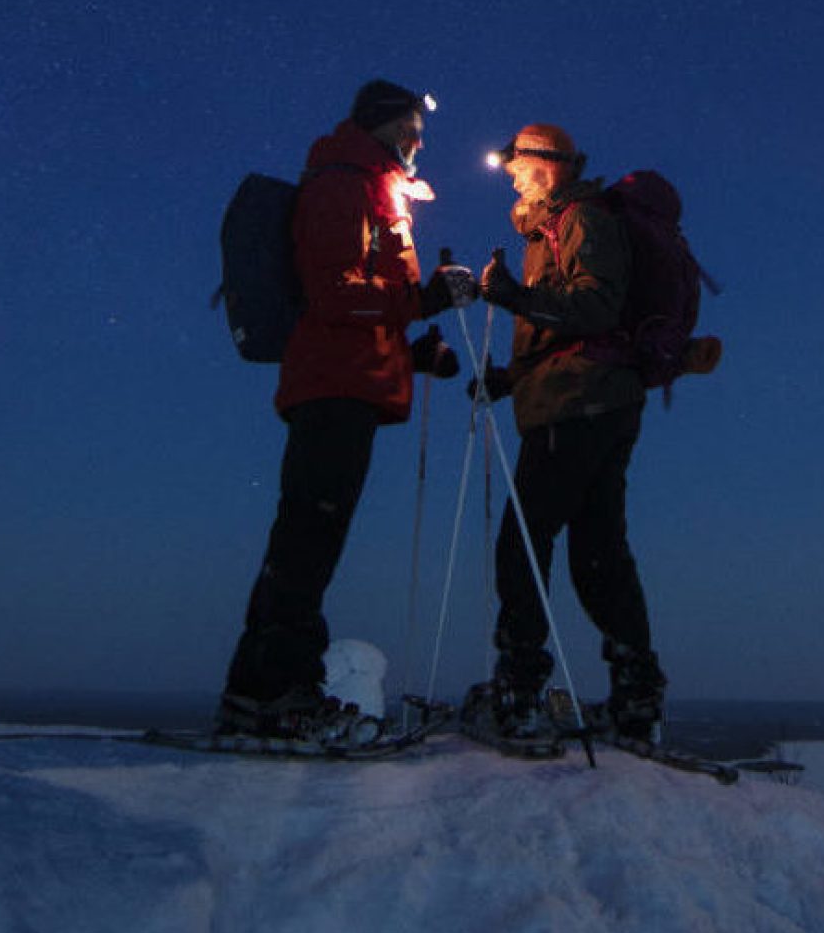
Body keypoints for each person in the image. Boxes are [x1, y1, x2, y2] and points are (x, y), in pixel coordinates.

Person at [216, 78, 475, 743]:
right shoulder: (345, 183)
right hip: (333, 389)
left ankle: (261, 694)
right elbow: (337, 295)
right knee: (308, 539)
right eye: (411, 126)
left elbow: (362, 305)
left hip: (347, 381)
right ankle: (278, 696)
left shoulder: (368, 183)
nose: (420, 139)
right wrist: (424, 303)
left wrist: (415, 352)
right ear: (385, 126)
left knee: (307, 538)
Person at [472, 122, 668, 744]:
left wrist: (511, 299)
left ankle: (520, 689)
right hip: (594, 400)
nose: (508, 172)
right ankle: (636, 701)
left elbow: (594, 309)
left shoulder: (579, 220)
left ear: (546, 167)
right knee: (598, 550)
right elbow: (578, 323)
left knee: (524, 543)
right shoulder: (559, 227)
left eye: (517, 163)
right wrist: (511, 378)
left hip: (576, 404)